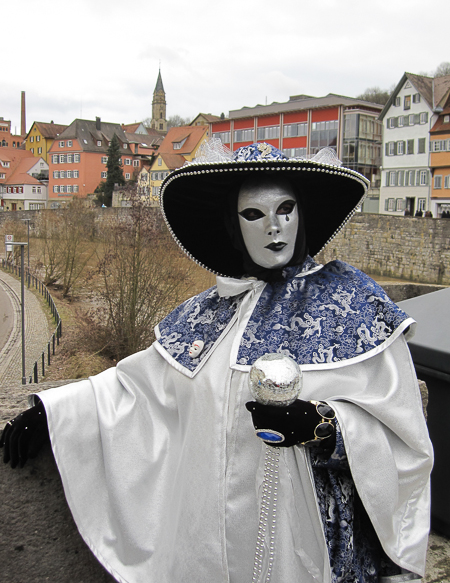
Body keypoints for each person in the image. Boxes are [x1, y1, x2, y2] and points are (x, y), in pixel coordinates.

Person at [1, 141, 433, 583]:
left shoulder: (355, 304)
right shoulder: (206, 312)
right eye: (254, 214)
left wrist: (322, 426)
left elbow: (402, 432)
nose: (274, 226)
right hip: (209, 543)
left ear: (302, 214)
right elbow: (140, 387)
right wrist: (55, 413)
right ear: (233, 225)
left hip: (309, 547)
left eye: (286, 209)